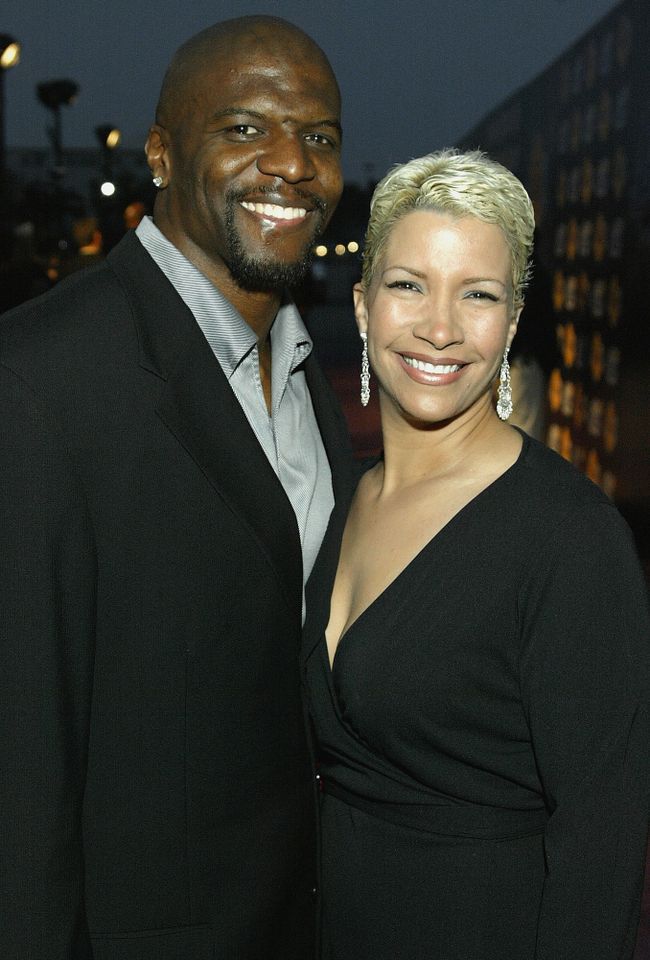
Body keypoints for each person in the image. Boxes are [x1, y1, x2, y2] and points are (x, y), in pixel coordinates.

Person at [0, 16, 354, 959]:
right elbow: (20, 773)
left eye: (319, 137)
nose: (291, 163)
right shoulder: (37, 381)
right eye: (244, 128)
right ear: (161, 153)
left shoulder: (310, 373)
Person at [302, 149, 650, 960]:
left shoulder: (568, 538)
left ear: (515, 319)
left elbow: (602, 844)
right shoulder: (346, 497)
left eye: (479, 294)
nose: (441, 327)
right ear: (361, 306)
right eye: (408, 284)